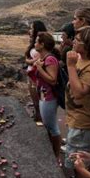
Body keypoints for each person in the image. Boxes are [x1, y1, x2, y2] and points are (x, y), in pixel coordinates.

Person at [64, 26, 90, 169]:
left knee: (78, 163)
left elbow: (79, 92)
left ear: (88, 45)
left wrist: (70, 66)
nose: (73, 42)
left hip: (84, 125)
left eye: (77, 40)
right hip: (78, 120)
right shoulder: (81, 59)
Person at [33, 32, 62, 165]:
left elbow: (53, 80)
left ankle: (56, 156)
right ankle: (51, 152)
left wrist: (39, 68)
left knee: (52, 127)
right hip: (43, 96)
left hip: (49, 97)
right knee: (48, 126)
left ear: (42, 44)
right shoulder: (43, 57)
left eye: (37, 41)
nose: (34, 43)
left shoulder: (50, 59)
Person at [25, 21, 47, 122]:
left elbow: (36, 61)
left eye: (32, 29)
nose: (30, 30)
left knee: (38, 99)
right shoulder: (34, 42)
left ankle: (40, 119)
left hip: (36, 75)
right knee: (34, 99)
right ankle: (38, 116)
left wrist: (28, 61)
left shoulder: (42, 44)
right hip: (30, 74)